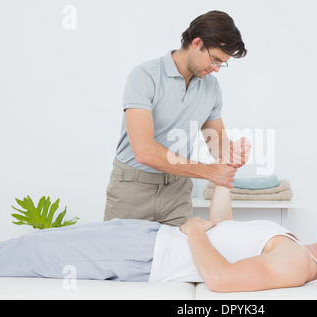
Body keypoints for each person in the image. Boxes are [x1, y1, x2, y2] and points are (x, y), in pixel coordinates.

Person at [0, 186, 317, 292]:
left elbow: (220, 280)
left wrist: (196, 230)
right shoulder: (294, 244)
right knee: (37, 244)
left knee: (32, 250)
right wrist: (223, 182)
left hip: (144, 256)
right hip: (146, 239)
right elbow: (224, 232)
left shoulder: (297, 263)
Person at [105, 10, 249, 226]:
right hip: (132, 189)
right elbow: (144, 151)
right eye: (215, 59)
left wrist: (231, 153)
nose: (217, 69)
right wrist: (210, 172)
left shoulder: (211, 87)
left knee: (178, 257)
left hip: (177, 194)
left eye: (222, 64)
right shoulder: (144, 76)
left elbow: (216, 143)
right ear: (197, 43)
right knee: (119, 257)